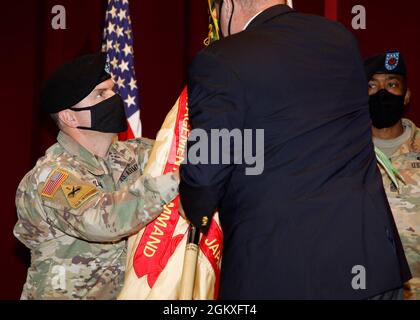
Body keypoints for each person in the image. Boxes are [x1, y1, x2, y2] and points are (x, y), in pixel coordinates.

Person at [180, 0, 411, 299]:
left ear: (231, 6)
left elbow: (206, 173)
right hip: (369, 263)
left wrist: (193, 202)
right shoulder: (339, 39)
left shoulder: (220, 59)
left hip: (282, 273)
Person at [14, 53, 179, 300]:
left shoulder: (131, 153)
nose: (114, 99)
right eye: (101, 94)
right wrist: (180, 180)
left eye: (112, 91)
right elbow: (101, 220)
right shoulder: (52, 176)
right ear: (69, 116)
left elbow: (180, 151)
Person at [365, 51, 419, 300]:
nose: (382, 93)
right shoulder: (345, 154)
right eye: (372, 85)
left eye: (392, 85)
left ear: (406, 96)